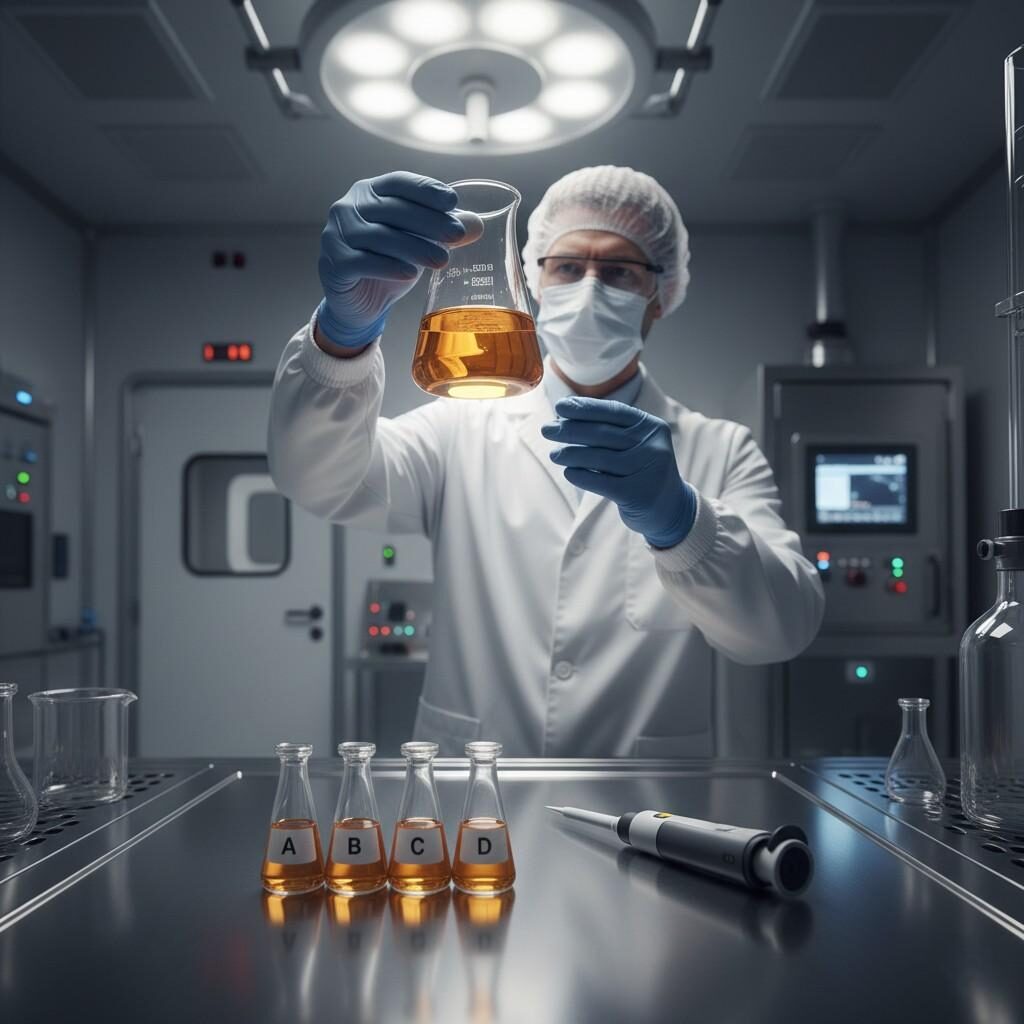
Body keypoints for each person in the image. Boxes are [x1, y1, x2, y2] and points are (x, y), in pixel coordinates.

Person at [268, 166, 824, 757]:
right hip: (476, 788)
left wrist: (681, 521)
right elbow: (319, 480)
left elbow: (780, 629)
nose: (588, 287)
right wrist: (341, 336)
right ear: (533, 282)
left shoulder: (720, 449)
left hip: (644, 800)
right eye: (567, 267)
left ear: (659, 297)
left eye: (617, 271)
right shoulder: (460, 425)